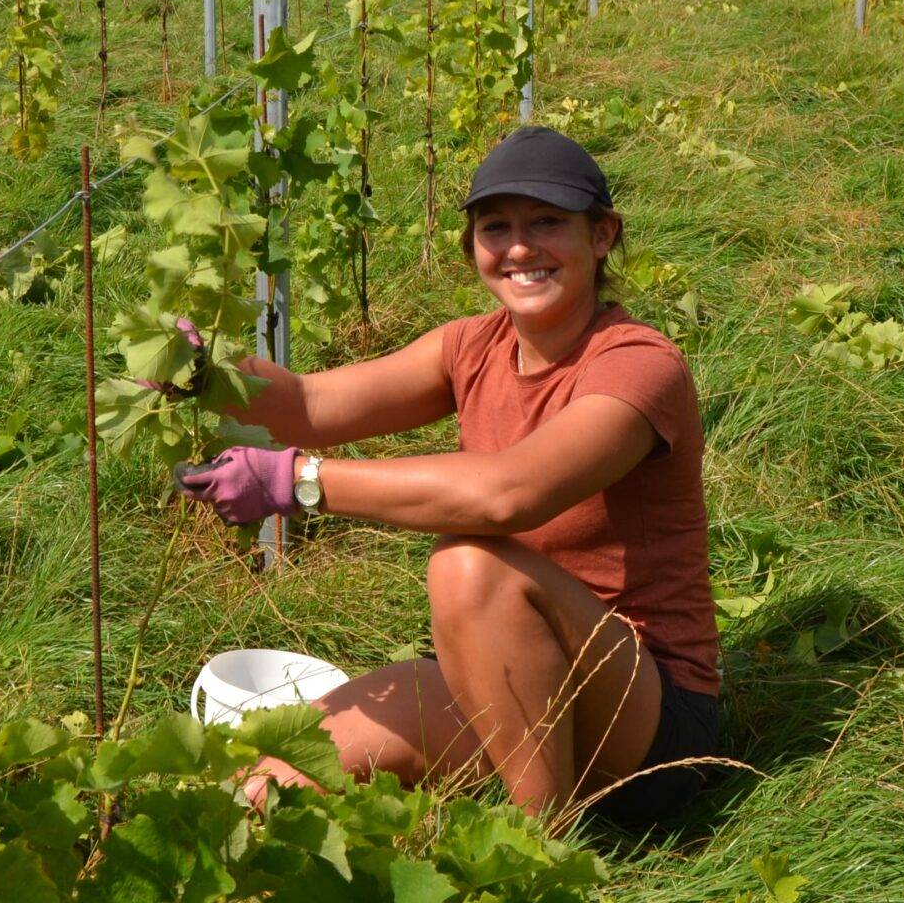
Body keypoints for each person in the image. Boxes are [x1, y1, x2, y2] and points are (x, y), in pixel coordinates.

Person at [174, 126, 721, 827]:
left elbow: (507, 494)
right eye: (497, 227)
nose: (521, 246)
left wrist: (301, 483)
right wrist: (204, 373)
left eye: (547, 222)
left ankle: (538, 854)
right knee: (272, 774)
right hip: (504, 676)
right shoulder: (470, 346)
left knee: (467, 563)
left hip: (644, 719)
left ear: (602, 235)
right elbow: (312, 404)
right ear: (474, 249)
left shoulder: (639, 365)